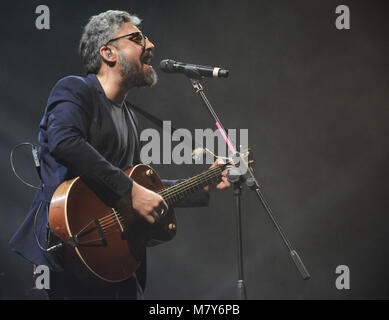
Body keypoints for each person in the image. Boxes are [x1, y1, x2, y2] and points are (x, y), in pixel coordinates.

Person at [9, 10, 230, 299]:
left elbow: (139, 189)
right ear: (108, 52)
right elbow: (64, 142)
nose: (150, 46)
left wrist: (208, 180)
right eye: (137, 38)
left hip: (115, 262)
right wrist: (130, 191)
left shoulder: (129, 117)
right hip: (72, 250)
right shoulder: (75, 89)